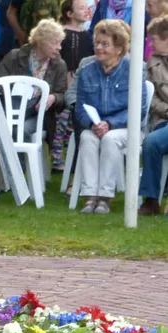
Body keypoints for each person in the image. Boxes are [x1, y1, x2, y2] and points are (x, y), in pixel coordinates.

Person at [74, 19, 146, 214]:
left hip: (125, 128)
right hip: (96, 126)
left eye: (105, 44)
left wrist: (110, 123)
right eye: (97, 43)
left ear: (119, 48)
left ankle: (105, 197)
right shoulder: (87, 71)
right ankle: (90, 196)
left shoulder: (134, 70)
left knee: (110, 139)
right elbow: (80, 108)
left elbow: (139, 109)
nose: (99, 48)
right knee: (86, 137)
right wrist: (92, 124)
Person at [0, 19, 68, 146]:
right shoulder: (14, 57)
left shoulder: (59, 65)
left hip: (39, 116)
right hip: (11, 110)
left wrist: (53, 97)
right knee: (6, 126)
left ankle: (20, 160)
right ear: (41, 41)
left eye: (60, 43)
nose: (59, 47)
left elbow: (63, 95)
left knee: (20, 130)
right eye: (55, 42)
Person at [51, 0, 93, 170]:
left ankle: (71, 156)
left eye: (87, 8)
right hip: (64, 85)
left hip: (79, 87)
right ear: (69, 13)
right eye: (81, 8)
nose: (86, 11)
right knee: (61, 123)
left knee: (72, 124)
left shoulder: (88, 36)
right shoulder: (62, 34)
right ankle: (56, 158)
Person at [139, 15, 168, 215]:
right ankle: (150, 200)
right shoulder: (152, 62)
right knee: (151, 142)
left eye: (154, 39)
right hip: (164, 119)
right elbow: (151, 98)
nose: (150, 44)